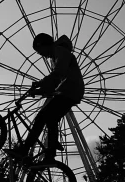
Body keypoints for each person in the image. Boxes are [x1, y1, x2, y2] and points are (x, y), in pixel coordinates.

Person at [7, 32, 84, 164]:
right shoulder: (54, 57)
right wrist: (39, 90)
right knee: (45, 117)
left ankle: (44, 150)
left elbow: (58, 73)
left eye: (39, 51)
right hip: (65, 92)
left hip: (70, 91)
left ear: (44, 45)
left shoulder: (61, 51)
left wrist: (40, 83)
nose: (40, 54)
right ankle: (43, 148)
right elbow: (54, 83)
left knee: (48, 116)